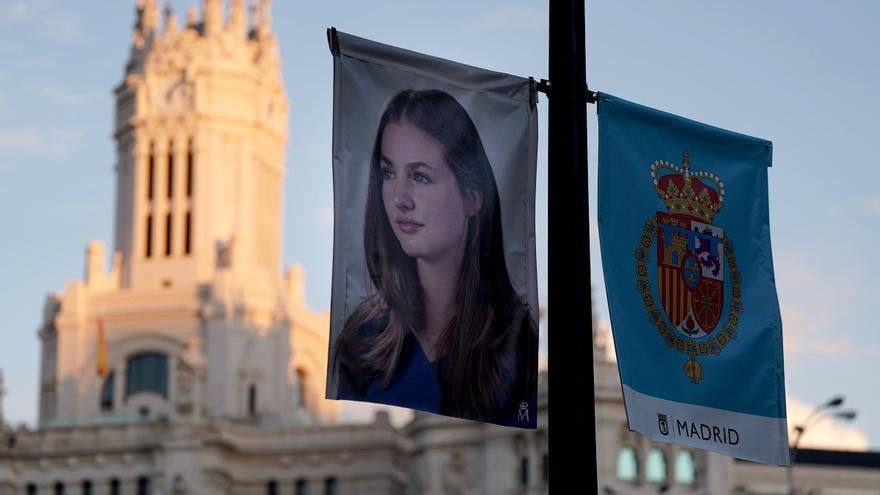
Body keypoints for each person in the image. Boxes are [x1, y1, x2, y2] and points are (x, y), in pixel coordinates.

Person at [333, 88, 537, 427]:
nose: (399, 198)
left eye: (420, 176)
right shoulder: (362, 339)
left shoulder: (515, 340)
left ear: (472, 198)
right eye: (388, 173)